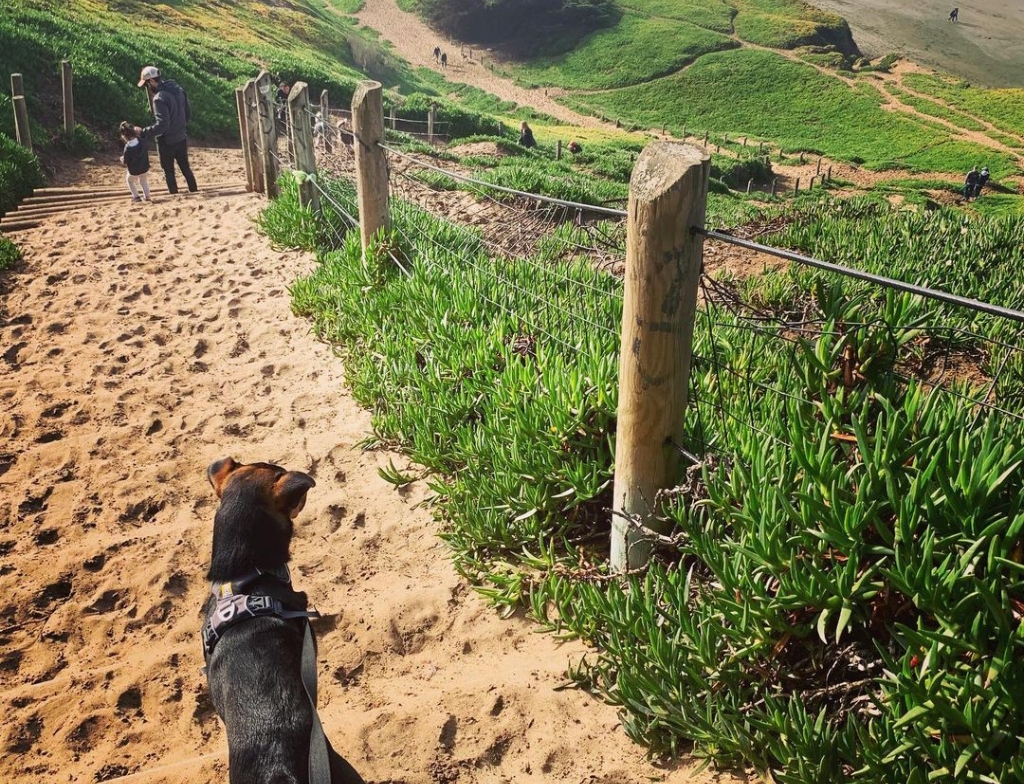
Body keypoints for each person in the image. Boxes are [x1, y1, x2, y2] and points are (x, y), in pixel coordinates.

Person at [134, 65, 198, 194]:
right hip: (181, 136)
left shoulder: (159, 98)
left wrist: (144, 132)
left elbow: (162, 125)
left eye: (146, 85)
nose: (147, 88)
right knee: (186, 168)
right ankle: (194, 190)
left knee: (168, 172)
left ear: (151, 81)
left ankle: (174, 195)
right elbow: (187, 113)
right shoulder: (179, 90)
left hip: (166, 141)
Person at [118, 121, 151, 202]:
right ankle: (147, 197)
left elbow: (126, 161)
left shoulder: (127, 148)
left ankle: (136, 197)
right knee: (143, 181)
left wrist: (122, 159)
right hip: (144, 167)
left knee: (129, 181)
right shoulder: (142, 141)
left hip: (134, 170)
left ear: (124, 136)